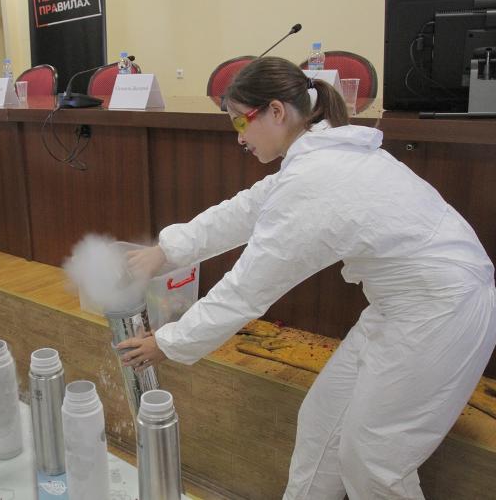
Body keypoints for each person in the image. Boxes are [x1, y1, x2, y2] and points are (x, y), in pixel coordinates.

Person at [118, 57, 496, 499]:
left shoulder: (319, 177)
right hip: (402, 308)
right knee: (322, 424)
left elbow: (247, 290)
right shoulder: (315, 159)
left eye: (240, 121)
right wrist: (165, 251)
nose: (238, 137)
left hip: (443, 311)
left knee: (373, 461)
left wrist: (169, 342)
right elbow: (245, 209)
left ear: (276, 111)